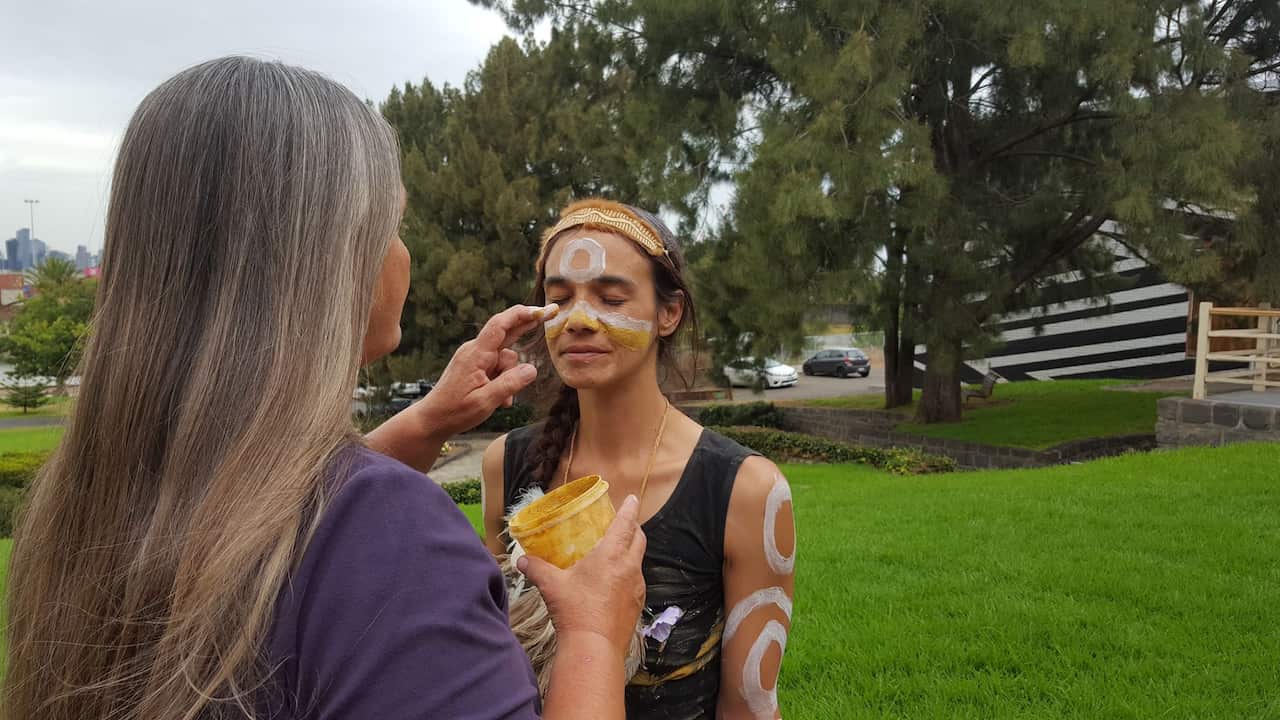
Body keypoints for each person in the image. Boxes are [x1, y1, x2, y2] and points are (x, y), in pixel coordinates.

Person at [3, 56, 645, 720]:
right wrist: (595, 636)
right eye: (391, 227)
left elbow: (274, 529)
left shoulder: (78, 503)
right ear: (336, 261)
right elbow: (342, 539)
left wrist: (426, 423)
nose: (403, 254)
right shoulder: (396, 540)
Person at [482, 199, 797, 719]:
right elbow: (492, 656)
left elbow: (748, 706)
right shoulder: (507, 462)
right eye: (559, 299)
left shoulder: (745, 491)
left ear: (668, 313)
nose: (579, 319)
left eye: (610, 297)